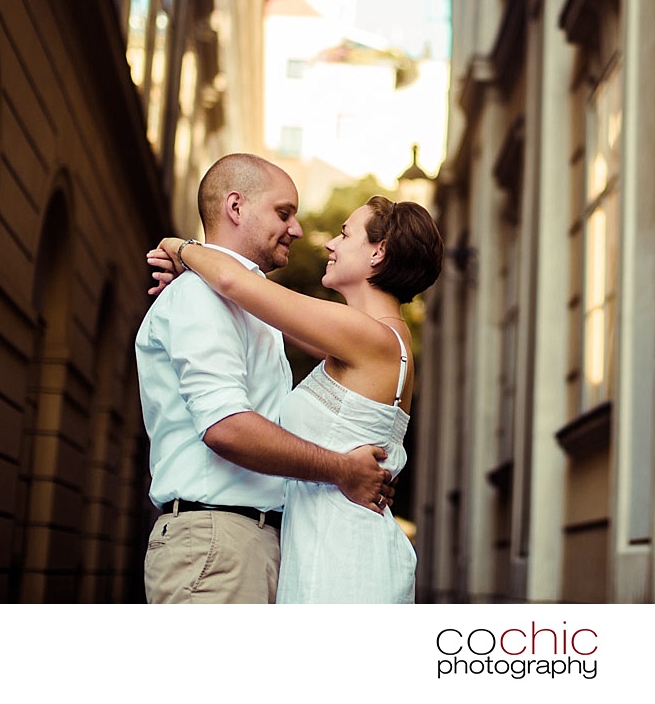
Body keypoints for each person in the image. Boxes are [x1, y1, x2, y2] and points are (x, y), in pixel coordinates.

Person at [150, 193, 443, 603]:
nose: (330, 244)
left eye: (345, 234)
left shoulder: (368, 335)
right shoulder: (369, 336)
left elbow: (237, 284)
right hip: (327, 544)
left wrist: (180, 247)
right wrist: (193, 277)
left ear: (378, 252)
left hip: (342, 556)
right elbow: (256, 310)